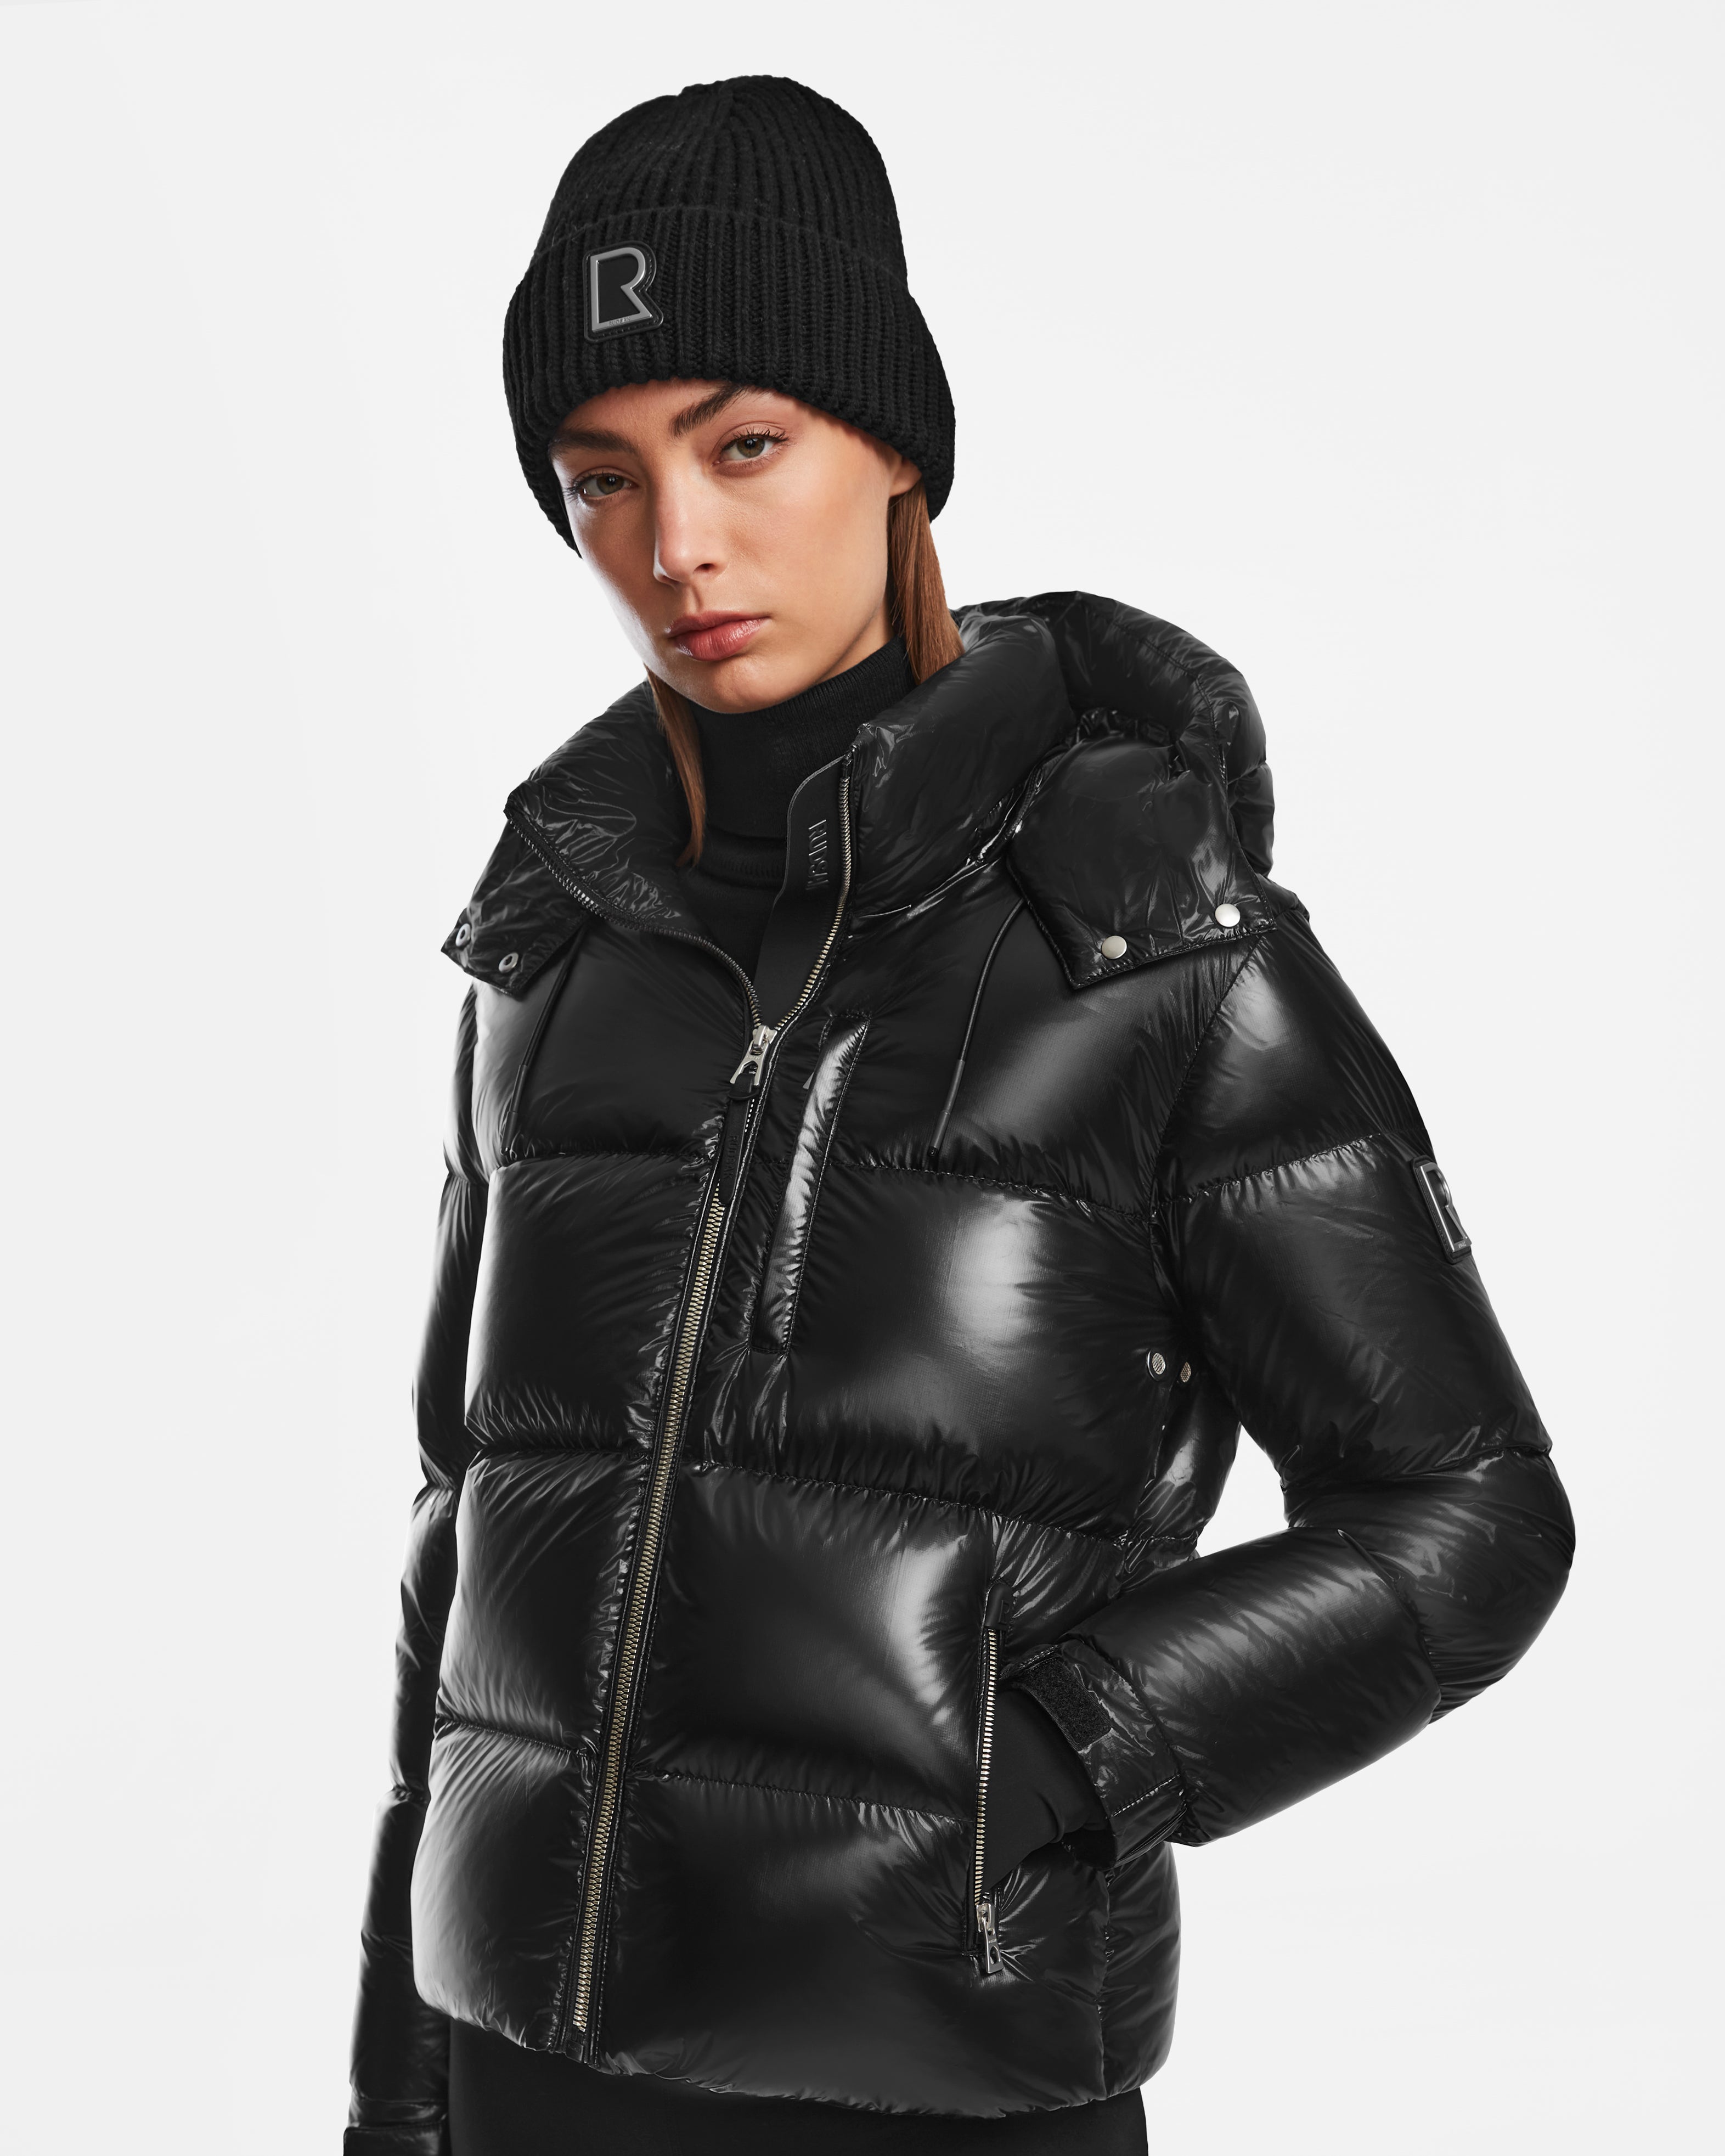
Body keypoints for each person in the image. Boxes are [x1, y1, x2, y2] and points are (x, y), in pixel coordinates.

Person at [342, 75, 1574, 2156]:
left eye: (744, 443)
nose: (676, 543)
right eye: (600, 476)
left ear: (895, 445)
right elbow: (465, 1547)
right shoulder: (551, 952)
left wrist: (1066, 1754)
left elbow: (1469, 1517)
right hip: (525, 2078)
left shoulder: (1146, 936)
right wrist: (397, 2090)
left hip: (938, 2072)